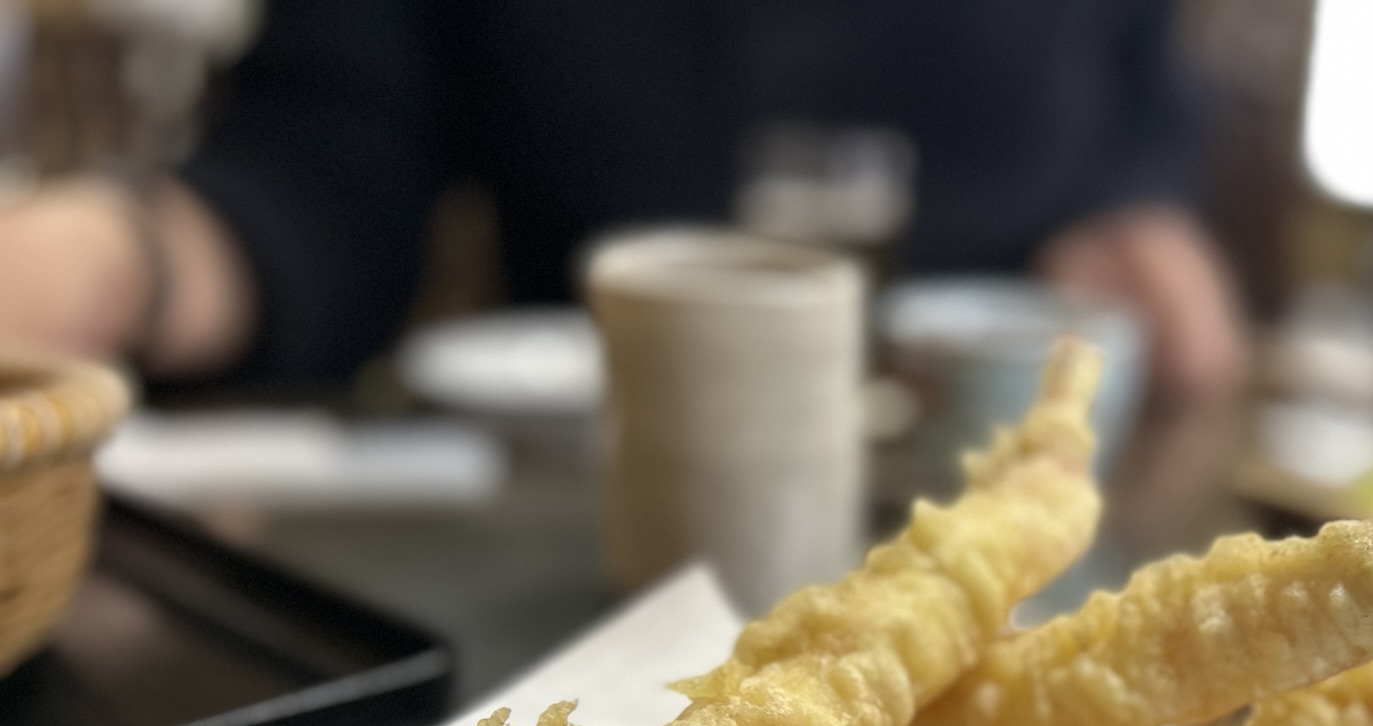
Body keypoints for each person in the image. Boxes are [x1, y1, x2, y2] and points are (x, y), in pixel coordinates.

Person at [0, 0, 1248, 404]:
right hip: (586, 544)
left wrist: (1136, 214)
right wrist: (123, 257)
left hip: (1002, 466)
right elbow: (322, 166)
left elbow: (1137, 106)